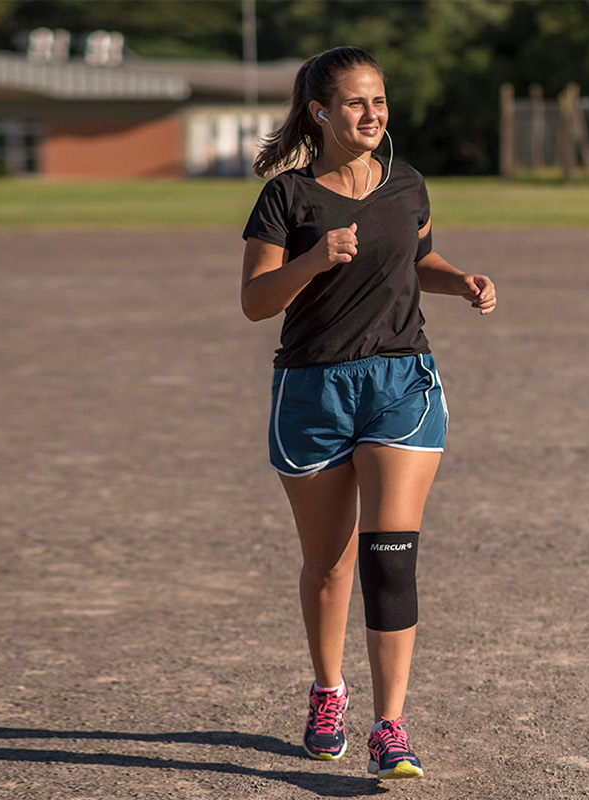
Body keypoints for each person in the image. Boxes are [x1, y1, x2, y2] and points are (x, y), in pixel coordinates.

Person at [239, 45, 496, 781]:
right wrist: (314, 259)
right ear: (319, 113)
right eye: (356, 103)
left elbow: (417, 261)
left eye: (379, 101)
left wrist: (462, 280)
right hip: (313, 391)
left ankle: (391, 725)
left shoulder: (406, 184)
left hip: (400, 383)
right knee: (329, 564)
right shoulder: (286, 198)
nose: (373, 114)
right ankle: (329, 692)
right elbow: (257, 302)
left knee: (391, 558)